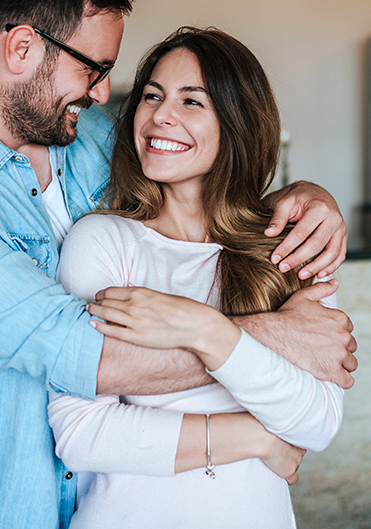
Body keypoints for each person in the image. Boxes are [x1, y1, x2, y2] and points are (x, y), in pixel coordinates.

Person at [0, 0, 354, 529]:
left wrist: (306, 198)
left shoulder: (88, 135)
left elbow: (200, 179)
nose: (103, 93)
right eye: (94, 68)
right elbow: (83, 356)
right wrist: (276, 337)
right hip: (8, 511)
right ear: (21, 48)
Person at [48, 27, 344, 528]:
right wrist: (258, 438)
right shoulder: (103, 241)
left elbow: (318, 422)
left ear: (238, 124)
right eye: (152, 96)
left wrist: (204, 329)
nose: (161, 115)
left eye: (192, 101)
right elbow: (81, 435)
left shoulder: (287, 248)